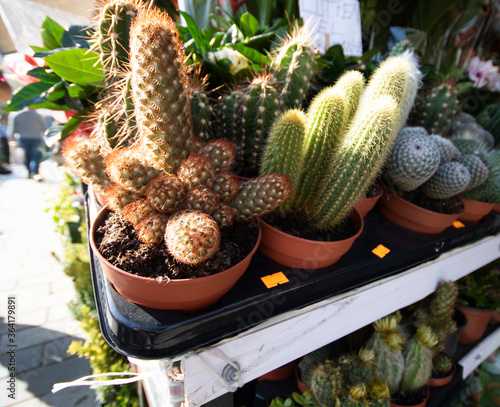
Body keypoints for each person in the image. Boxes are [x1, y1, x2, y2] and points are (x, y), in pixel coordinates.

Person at [7, 107, 47, 179]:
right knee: (35, 156)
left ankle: (29, 172)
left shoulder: (18, 115)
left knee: (27, 156)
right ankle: (35, 173)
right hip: (36, 137)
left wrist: (12, 138)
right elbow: (44, 128)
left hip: (24, 138)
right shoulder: (37, 115)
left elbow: (14, 129)